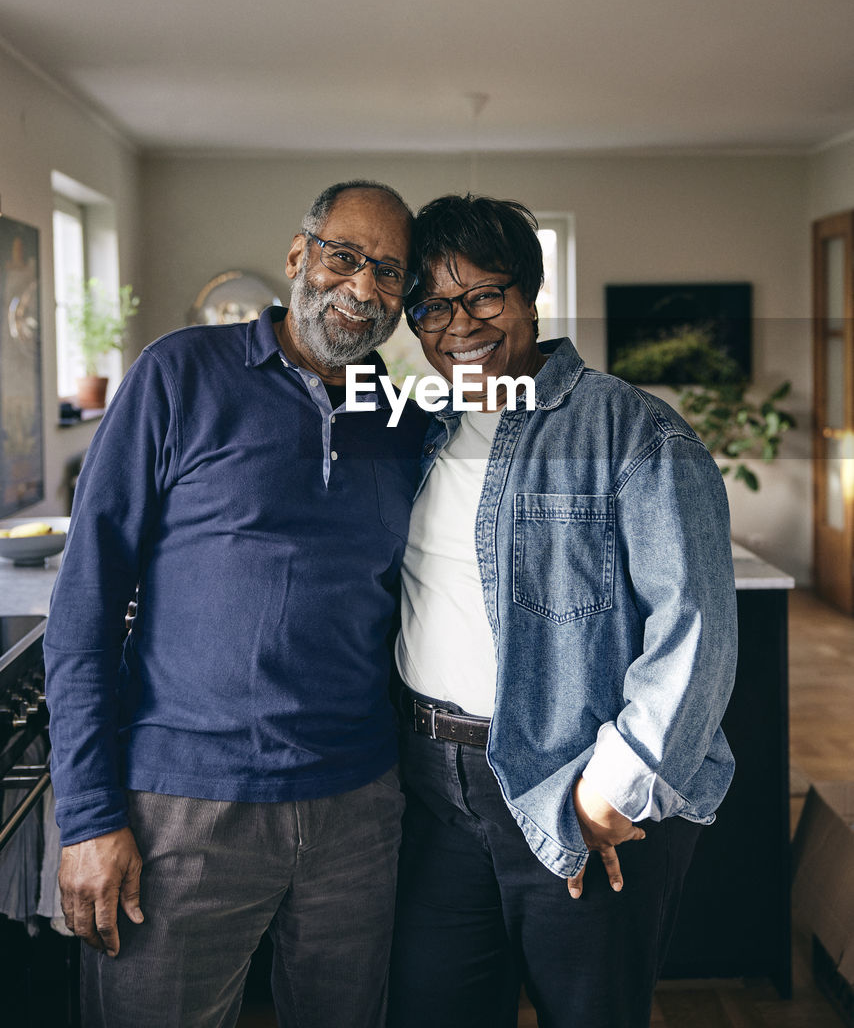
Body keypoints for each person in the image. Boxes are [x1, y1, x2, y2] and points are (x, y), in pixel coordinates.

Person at [44, 180, 426, 1028]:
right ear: (299, 256)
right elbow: (84, 611)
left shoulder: (403, 423)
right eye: (345, 257)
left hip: (358, 809)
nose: (364, 288)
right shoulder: (177, 374)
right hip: (182, 808)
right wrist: (88, 817)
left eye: (391, 273)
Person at [387, 194, 738, 1028]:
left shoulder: (636, 430)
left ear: (532, 293)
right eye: (433, 305)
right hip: (431, 790)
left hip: (571, 783)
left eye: (484, 295)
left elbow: (696, 628)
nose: (459, 325)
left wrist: (611, 789)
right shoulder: (415, 428)